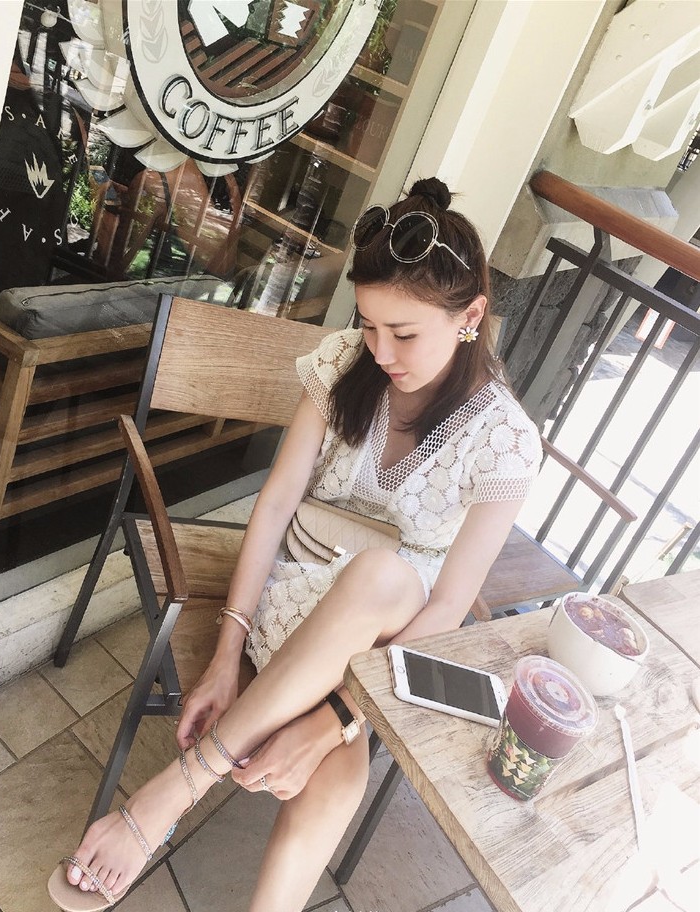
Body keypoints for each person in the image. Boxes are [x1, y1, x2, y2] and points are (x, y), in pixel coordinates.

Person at [48, 177, 542, 912]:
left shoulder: (506, 442)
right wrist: (227, 652)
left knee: (382, 583)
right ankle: (185, 799)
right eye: (368, 325)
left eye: (404, 333)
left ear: (471, 316)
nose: (381, 351)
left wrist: (337, 716)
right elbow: (277, 503)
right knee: (341, 773)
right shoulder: (345, 363)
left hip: (385, 643)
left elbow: (446, 608)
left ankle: (174, 791)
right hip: (289, 593)